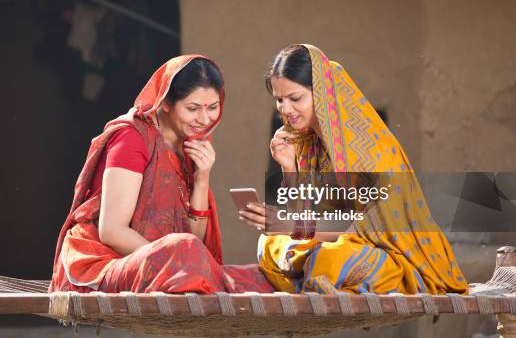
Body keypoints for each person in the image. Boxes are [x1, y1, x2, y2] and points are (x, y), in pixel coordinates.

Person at [239, 44, 468, 295]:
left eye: (295, 98)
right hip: (333, 244)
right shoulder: (307, 143)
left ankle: (316, 277)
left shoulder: (366, 147)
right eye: (279, 100)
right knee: (268, 244)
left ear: (323, 94)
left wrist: (289, 224)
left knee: (328, 259)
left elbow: (354, 227)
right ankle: (316, 279)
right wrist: (289, 167)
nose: (285, 109)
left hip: (389, 255)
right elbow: (311, 218)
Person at [50, 54, 274, 294]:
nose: (204, 118)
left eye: (212, 107)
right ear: (165, 102)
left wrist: (202, 178)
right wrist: (171, 259)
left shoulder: (191, 144)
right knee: (187, 251)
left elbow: (195, 240)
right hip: (106, 264)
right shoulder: (131, 139)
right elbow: (112, 231)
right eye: (193, 108)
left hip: (172, 263)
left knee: (261, 279)